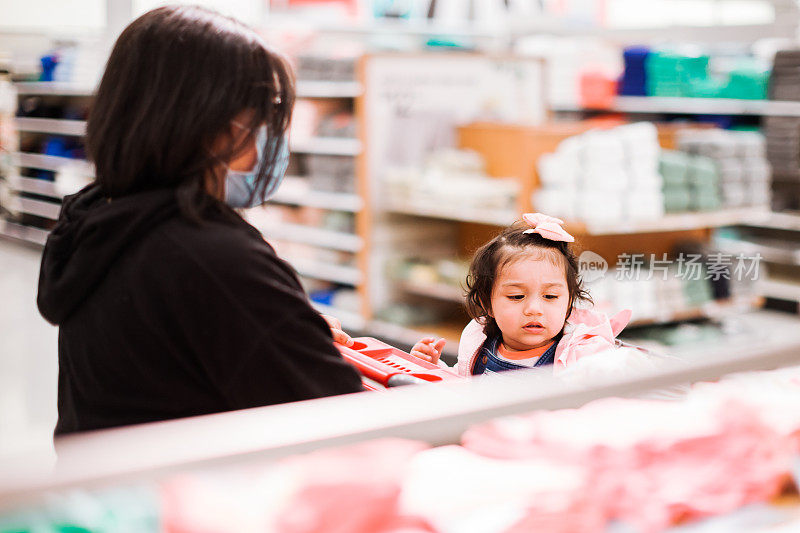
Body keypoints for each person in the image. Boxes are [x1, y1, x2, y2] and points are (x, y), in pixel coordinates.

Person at [36, 5, 363, 436]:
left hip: (113, 490)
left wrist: (284, 324)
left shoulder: (98, 215)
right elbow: (342, 422)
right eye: (267, 113)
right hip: (197, 496)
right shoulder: (215, 257)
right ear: (217, 128)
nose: (275, 133)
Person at [412, 213, 632, 376]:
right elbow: (462, 386)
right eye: (517, 297)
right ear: (487, 303)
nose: (534, 309)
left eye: (551, 297)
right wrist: (432, 367)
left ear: (569, 303)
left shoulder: (578, 358)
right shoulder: (479, 344)